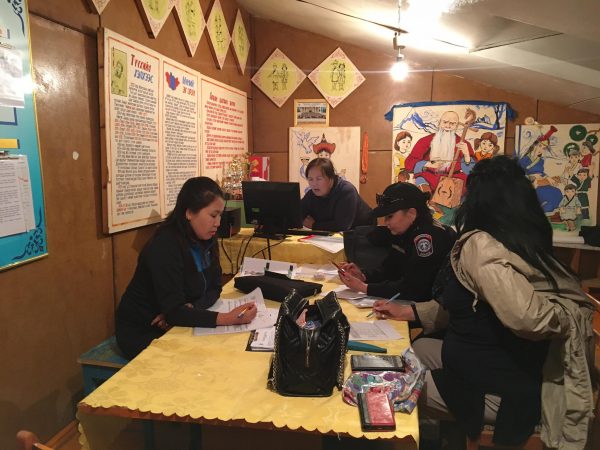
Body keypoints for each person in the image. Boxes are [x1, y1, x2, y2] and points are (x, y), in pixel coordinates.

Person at [371, 156, 594, 449]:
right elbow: (464, 303)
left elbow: (526, 317)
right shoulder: (522, 242)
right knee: (419, 348)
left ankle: (435, 434)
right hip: (493, 363)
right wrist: (410, 311)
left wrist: (569, 319)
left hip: (496, 389)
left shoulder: (483, 245)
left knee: (383, 387)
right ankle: (444, 438)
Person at [116, 177, 257, 359]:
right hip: (144, 329)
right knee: (201, 359)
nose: (218, 223)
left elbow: (215, 288)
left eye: (220, 215)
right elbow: (175, 312)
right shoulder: (165, 246)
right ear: (189, 213)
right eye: (213, 215)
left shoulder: (207, 239)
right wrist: (227, 318)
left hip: (176, 321)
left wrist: (191, 308)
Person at [338, 182, 456, 300]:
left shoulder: (428, 237)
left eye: (390, 216)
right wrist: (364, 276)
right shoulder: (404, 231)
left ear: (411, 213)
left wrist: (364, 288)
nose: (386, 223)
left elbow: (415, 289)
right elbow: (390, 271)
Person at [404, 110, 476, 193]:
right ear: (439, 122)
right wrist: (428, 164)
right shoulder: (425, 141)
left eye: (452, 123)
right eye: (445, 122)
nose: (448, 126)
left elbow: (472, 171)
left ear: (456, 126)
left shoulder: (463, 144)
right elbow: (409, 163)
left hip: (454, 180)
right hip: (430, 179)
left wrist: (466, 154)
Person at [301, 158, 373, 232]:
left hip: (364, 233)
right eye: (310, 179)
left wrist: (314, 225)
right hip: (333, 236)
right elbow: (298, 213)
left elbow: (342, 225)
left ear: (331, 178)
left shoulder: (346, 190)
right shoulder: (311, 194)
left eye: (319, 179)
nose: (314, 184)